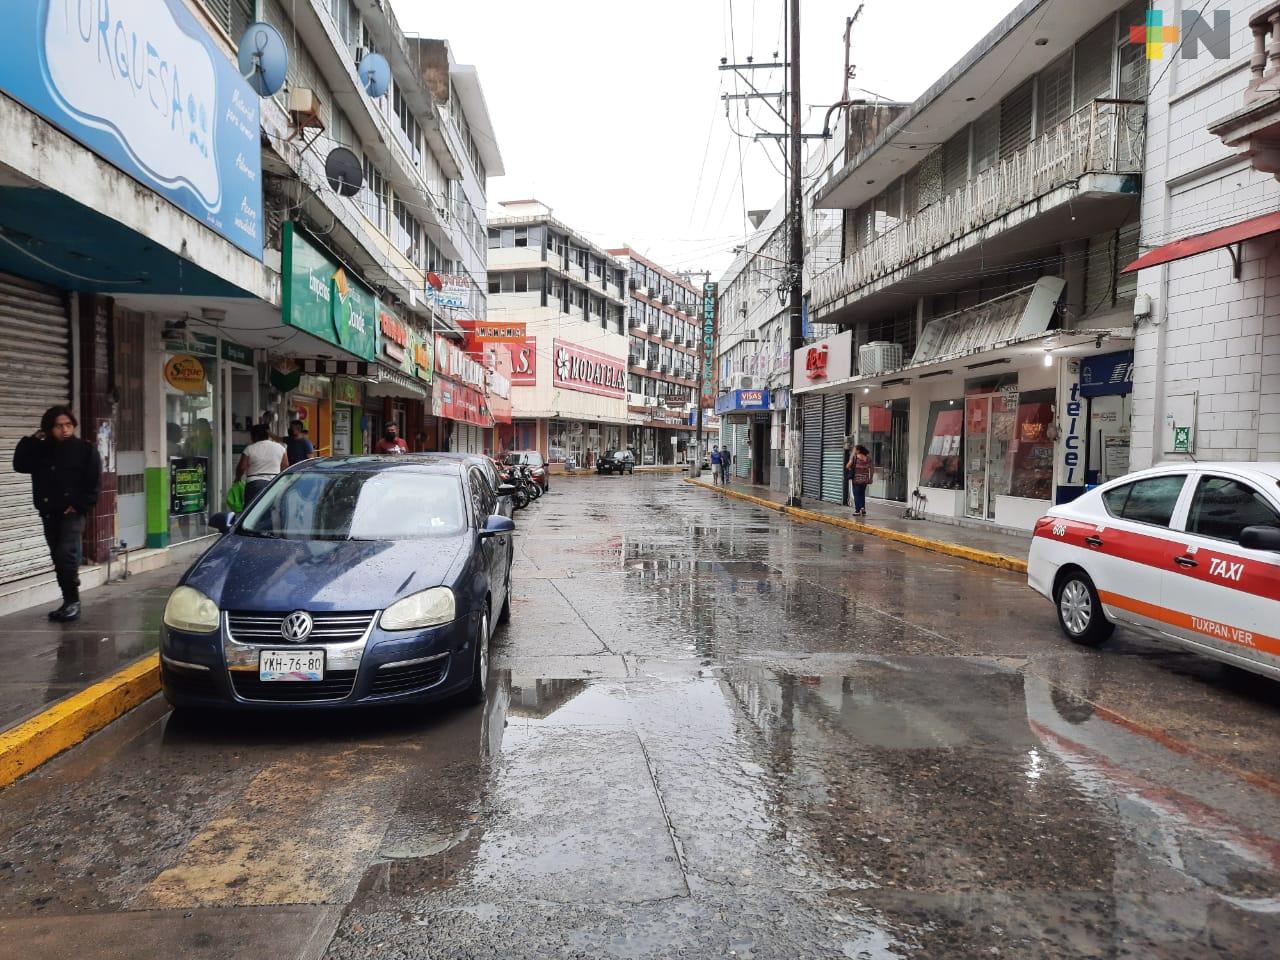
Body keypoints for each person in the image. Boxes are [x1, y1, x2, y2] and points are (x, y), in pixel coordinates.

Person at [12, 406, 103, 622]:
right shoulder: (41, 450)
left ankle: (73, 602)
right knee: (58, 556)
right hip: (49, 511)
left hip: (72, 513)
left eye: (69, 425)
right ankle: (67, 600)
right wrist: (33, 439)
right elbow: (20, 464)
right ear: (49, 428)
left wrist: (80, 505)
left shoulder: (85, 449)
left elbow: (94, 482)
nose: (65, 430)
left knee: (66, 554)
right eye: (59, 426)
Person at [236, 424, 288, 506]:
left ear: (255, 436)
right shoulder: (280, 448)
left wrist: (237, 479)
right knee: (272, 509)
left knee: (251, 510)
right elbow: (285, 466)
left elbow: (242, 467)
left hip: (254, 483)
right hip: (274, 483)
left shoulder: (250, 448)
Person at [848, 444, 872, 517]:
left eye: (854, 449)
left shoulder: (855, 457)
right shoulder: (868, 458)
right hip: (865, 479)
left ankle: (858, 510)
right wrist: (871, 478)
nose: (854, 451)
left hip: (856, 479)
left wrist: (852, 455)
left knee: (856, 495)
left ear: (858, 450)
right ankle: (863, 509)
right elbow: (872, 468)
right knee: (862, 494)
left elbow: (848, 466)